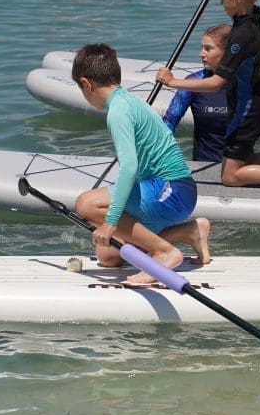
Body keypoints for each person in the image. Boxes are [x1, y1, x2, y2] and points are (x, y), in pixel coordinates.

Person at [71, 43, 210, 285]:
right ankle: (190, 231)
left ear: (86, 83)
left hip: (171, 190)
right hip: (173, 193)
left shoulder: (118, 111)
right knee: (108, 255)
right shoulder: (128, 100)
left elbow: (129, 167)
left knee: (86, 204)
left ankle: (164, 252)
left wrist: (111, 221)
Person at [156, 0, 260, 188]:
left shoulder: (242, 35)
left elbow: (217, 83)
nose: (221, 2)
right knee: (243, 161)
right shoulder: (253, 16)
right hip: (253, 103)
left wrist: (172, 81)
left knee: (230, 176)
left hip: (246, 110)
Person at [161, 24, 260, 162]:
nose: (201, 53)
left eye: (208, 48)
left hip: (239, 166)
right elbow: (169, 122)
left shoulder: (250, 84)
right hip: (203, 164)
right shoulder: (194, 82)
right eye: (202, 47)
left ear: (228, 53)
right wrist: (166, 158)